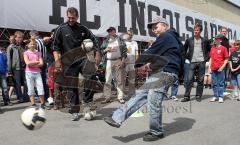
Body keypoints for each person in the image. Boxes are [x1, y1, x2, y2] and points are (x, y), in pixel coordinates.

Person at [103, 17, 182, 142]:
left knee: (153, 99)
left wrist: (138, 64)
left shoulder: (165, 36)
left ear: (165, 26)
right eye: (152, 29)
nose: (154, 30)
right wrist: (149, 67)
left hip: (166, 73)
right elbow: (166, 58)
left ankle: (156, 132)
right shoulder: (174, 39)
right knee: (140, 94)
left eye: (156, 27)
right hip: (165, 71)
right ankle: (116, 117)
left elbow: (150, 53)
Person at [52, 7, 101, 121]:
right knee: (72, 86)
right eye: (69, 17)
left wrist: (97, 53)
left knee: (91, 77)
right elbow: (55, 47)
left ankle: (88, 103)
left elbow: (94, 40)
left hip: (83, 59)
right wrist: (58, 61)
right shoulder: (61, 29)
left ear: (77, 17)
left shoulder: (83, 28)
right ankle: (74, 110)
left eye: (73, 18)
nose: (70, 20)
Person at [181, 23, 210, 102]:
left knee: (200, 80)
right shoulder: (189, 40)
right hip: (192, 62)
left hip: (201, 62)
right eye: (195, 30)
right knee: (189, 79)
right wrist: (187, 57)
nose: (195, 31)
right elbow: (184, 49)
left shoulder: (205, 40)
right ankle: (187, 96)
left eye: (197, 30)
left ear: (200, 31)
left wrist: (206, 59)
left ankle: (198, 95)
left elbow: (209, 50)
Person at [100, 27, 127, 104]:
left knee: (119, 80)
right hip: (108, 61)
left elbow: (124, 51)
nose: (110, 33)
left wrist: (122, 61)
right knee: (107, 80)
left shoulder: (120, 39)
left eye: (111, 31)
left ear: (115, 31)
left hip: (118, 60)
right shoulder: (106, 40)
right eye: (109, 31)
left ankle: (120, 97)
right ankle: (107, 97)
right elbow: (101, 51)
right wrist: (106, 50)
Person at [23, 39, 48, 108]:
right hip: (29, 72)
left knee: (41, 87)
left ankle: (43, 103)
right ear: (28, 45)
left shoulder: (38, 53)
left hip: (37, 72)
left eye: (34, 44)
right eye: (31, 44)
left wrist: (33, 64)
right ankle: (33, 104)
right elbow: (27, 63)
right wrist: (37, 62)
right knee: (30, 88)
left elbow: (42, 63)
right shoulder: (26, 53)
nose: (33, 45)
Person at [7, 31, 27, 103]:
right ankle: (20, 97)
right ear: (15, 38)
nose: (20, 39)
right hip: (16, 68)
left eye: (21, 37)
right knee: (17, 84)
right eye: (19, 37)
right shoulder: (11, 47)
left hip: (24, 67)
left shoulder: (24, 46)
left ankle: (25, 97)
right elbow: (9, 59)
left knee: (26, 82)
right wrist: (9, 70)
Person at [209, 34, 228, 103]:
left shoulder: (223, 48)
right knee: (214, 83)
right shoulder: (212, 48)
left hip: (220, 69)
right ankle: (215, 96)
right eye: (215, 39)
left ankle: (220, 96)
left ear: (220, 40)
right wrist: (209, 67)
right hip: (213, 68)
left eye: (217, 39)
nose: (215, 40)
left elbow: (226, 59)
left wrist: (222, 67)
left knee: (220, 83)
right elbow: (211, 58)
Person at [121, 30, 138, 99]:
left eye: (129, 34)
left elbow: (137, 53)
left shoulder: (135, 43)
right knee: (122, 80)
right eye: (127, 34)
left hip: (132, 63)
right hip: (124, 63)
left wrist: (137, 63)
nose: (128, 35)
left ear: (131, 35)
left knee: (132, 80)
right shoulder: (123, 42)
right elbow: (121, 53)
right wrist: (122, 62)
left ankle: (131, 94)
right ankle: (122, 95)